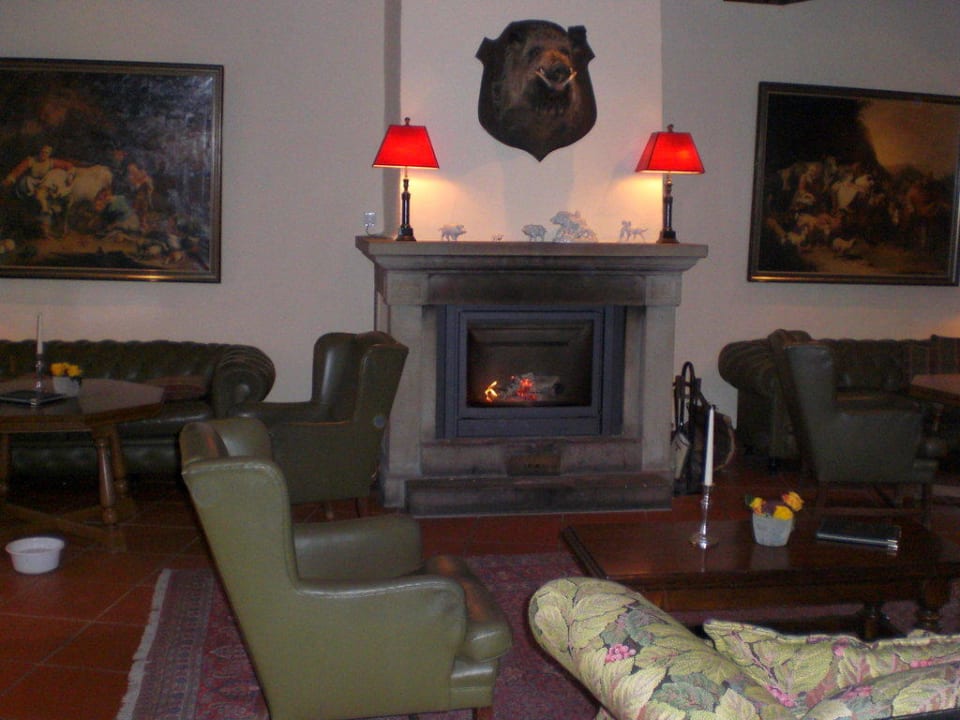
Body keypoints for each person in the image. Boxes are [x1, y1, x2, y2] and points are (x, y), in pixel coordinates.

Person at [2, 145, 73, 199]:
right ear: (39, 152)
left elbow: (68, 165)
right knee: (26, 184)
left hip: (42, 183)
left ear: (49, 154)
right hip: (30, 182)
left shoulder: (51, 162)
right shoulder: (31, 160)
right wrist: (9, 179)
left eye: (46, 153)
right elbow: (18, 170)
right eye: (42, 152)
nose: (44, 154)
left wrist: (69, 176)